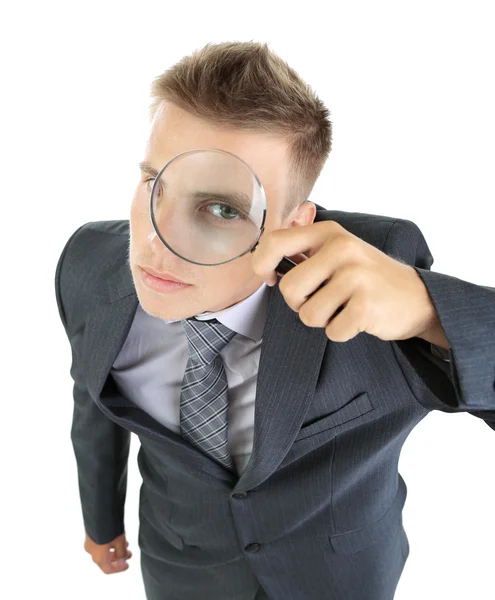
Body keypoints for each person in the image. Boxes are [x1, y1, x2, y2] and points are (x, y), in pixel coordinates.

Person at [54, 41, 495, 600]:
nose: (156, 242)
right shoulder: (89, 265)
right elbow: (92, 403)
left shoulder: (377, 278)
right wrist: (100, 521)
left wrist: (433, 312)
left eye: (222, 209)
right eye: (154, 185)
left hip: (338, 577)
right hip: (184, 567)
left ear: (293, 223)